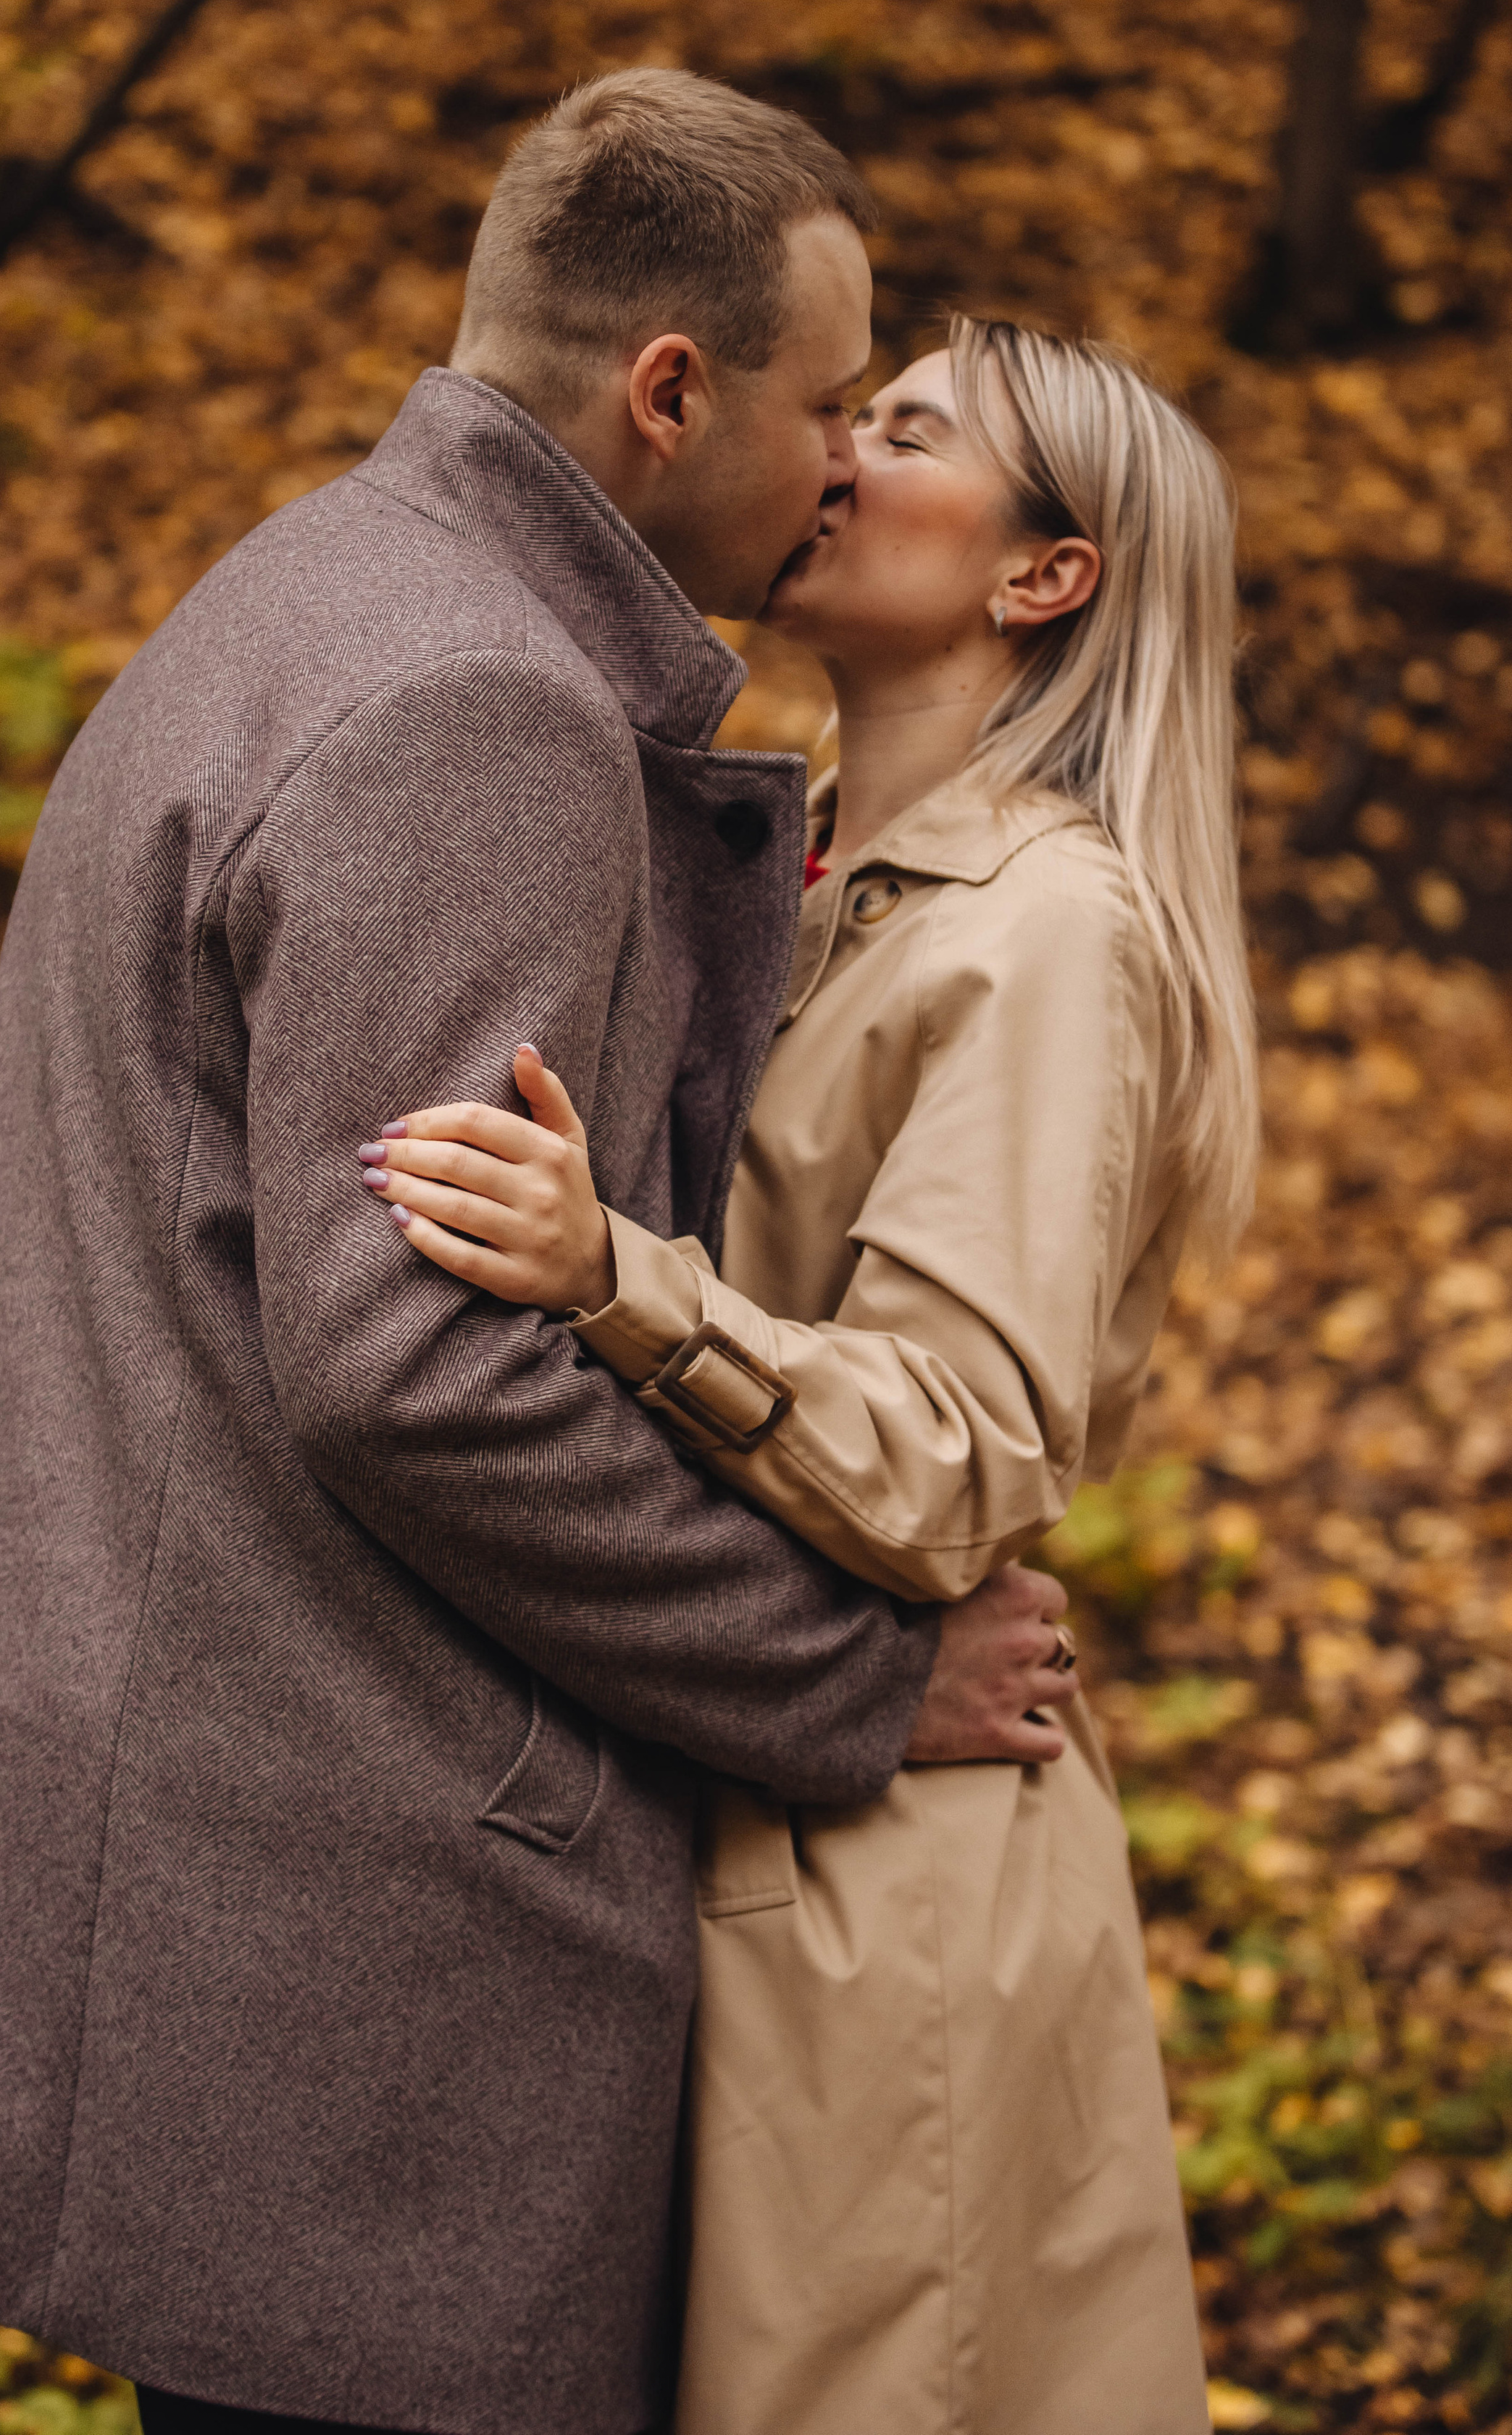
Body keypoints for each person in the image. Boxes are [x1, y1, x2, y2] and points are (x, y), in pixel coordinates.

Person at [0, 75, 1074, 2435]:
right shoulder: (481, 710)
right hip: (348, 1934)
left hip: (221, 1865)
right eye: (824, 407)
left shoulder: (310, 584)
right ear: (667, 393)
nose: (842, 467)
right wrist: (852, 1680)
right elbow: (422, 1374)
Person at [366, 313, 1260, 2434]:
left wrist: (616, 1279)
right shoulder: (809, 867)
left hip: (886, 1897)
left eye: (909, 430)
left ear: (1045, 574)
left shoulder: (1048, 933)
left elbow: (957, 1448)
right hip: (738, 1802)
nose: (836, 455)